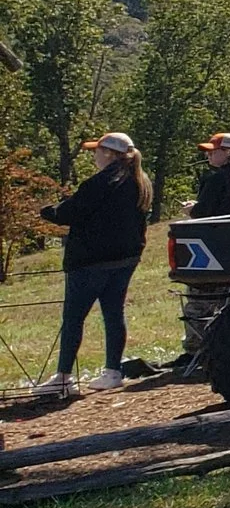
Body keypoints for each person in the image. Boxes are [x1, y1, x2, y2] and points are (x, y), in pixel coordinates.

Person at [34, 132, 151, 395]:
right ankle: (112, 372)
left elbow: (67, 214)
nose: (94, 155)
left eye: (96, 151)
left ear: (108, 154)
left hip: (91, 261)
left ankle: (64, 377)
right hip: (126, 259)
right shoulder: (139, 181)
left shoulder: (100, 183)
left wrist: (45, 210)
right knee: (113, 313)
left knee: (74, 317)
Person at [172, 132, 230, 368]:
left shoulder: (217, 179)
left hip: (210, 248)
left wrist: (192, 209)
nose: (209, 154)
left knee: (201, 303)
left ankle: (196, 352)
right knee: (229, 299)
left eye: (214, 150)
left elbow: (205, 214)